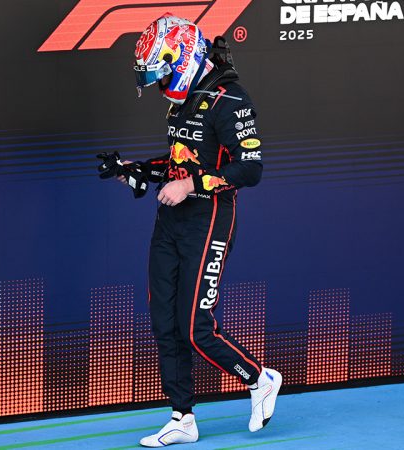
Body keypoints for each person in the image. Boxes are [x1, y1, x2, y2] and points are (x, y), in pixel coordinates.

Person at [106, 14, 283, 448]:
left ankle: (260, 379)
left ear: (182, 57)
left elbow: (250, 169)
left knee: (194, 327)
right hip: (170, 221)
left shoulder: (230, 99)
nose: (161, 83)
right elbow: (178, 162)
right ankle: (182, 417)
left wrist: (190, 186)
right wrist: (136, 171)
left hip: (209, 220)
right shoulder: (181, 101)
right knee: (164, 322)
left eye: (163, 73)